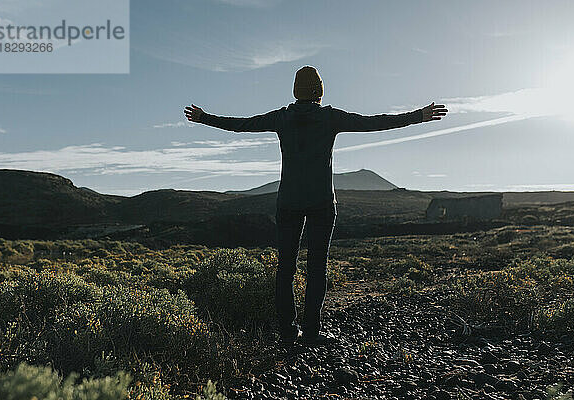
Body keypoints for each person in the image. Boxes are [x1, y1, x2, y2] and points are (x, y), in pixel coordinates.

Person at [184, 65, 448, 346]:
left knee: (285, 269)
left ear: (296, 91)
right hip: (322, 204)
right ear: (320, 92)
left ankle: (287, 332)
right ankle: (311, 333)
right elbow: (374, 122)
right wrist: (418, 117)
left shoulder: (281, 118)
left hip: (288, 203)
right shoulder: (329, 118)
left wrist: (204, 118)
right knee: (316, 268)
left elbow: (241, 125)